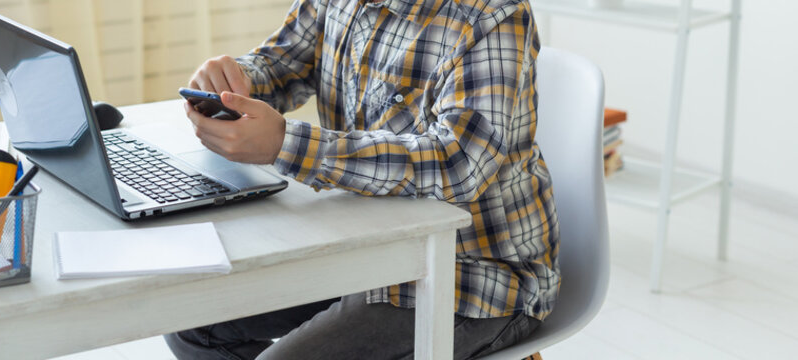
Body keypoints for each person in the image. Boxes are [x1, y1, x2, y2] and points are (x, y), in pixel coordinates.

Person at [166, 0, 558, 358]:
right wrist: (233, 83)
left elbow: (460, 162)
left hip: (475, 274)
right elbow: (282, 65)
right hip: (363, 247)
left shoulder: (491, 14)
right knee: (189, 321)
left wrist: (288, 144)